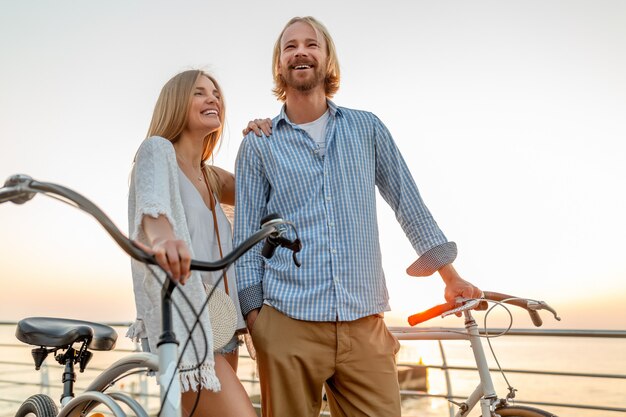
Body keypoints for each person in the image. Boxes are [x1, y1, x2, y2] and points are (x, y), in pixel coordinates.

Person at [234, 16, 483, 417]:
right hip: (286, 323)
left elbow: (409, 203)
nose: (301, 51)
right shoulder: (259, 145)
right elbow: (243, 236)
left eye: (312, 45)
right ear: (279, 65)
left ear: (327, 58)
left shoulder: (367, 128)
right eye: (289, 46)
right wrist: (255, 321)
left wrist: (451, 277)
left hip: (364, 323)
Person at [127, 69, 266, 417]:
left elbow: (263, 186)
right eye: (200, 93)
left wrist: (266, 136)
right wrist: (164, 239)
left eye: (216, 93)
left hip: (222, 319)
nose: (213, 98)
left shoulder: (210, 175)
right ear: (176, 103)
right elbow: (152, 205)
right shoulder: (157, 152)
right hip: (185, 322)